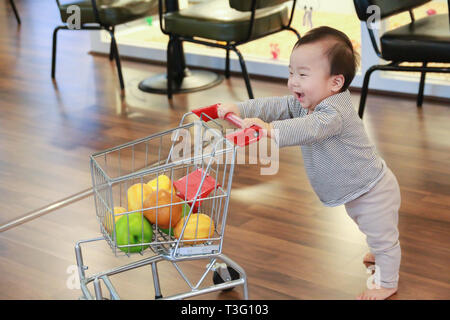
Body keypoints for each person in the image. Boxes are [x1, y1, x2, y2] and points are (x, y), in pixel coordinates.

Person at [217, 26, 401, 300]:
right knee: (370, 227)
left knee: (385, 238)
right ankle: (378, 248)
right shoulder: (309, 102)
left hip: (373, 190)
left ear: (335, 83)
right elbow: (276, 105)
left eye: (303, 75)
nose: (293, 82)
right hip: (356, 189)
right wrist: (242, 109)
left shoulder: (334, 112)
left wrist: (268, 129)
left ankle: (388, 281)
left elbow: (309, 129)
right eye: (291, 72)